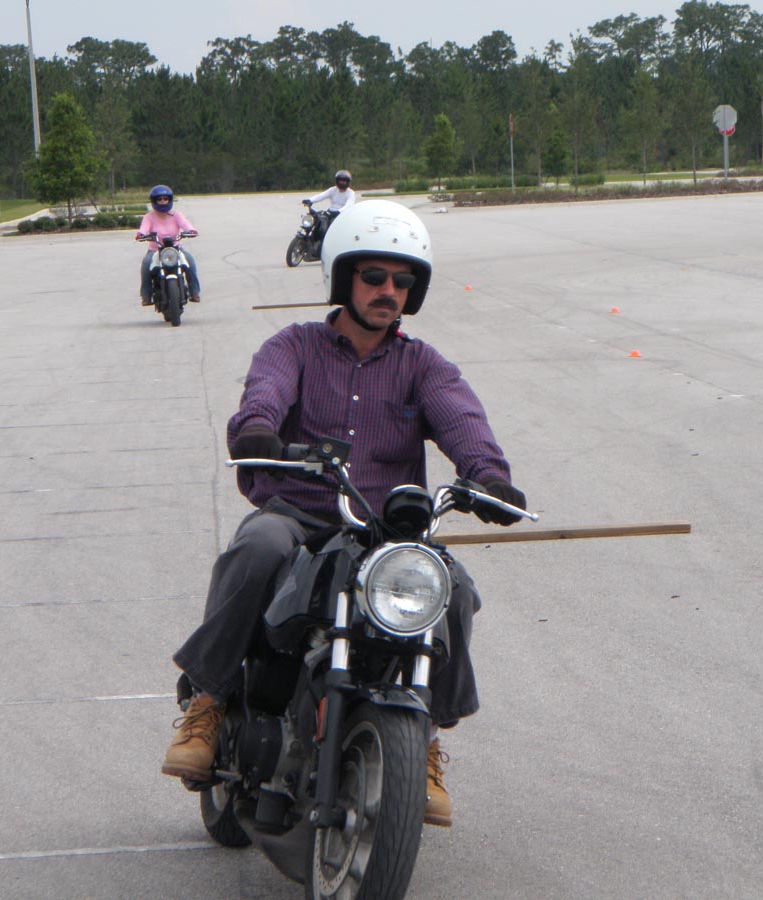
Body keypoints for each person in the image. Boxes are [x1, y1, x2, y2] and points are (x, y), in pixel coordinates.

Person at [161, 199, 526, 829]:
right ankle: (209, 702)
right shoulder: (294, 346)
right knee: (257, 549)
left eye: (403, 282)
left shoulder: (423, 364)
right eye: (374, 277)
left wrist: (490, 477)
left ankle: (423, 739)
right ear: (343, 277)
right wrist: (258, 429)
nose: (389, 292)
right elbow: (265, 393)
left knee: (453, 589)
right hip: (300, 515)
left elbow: (463, 419)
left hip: (386, 531)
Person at [136, 185, 200, 305]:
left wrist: (191, 230)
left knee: (190, 262)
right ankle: (146, 296)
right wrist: (141, 234)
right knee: (146, 264)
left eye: (165, 199)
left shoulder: (176, 215)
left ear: (169, 200)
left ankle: (194, 292)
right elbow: (144, 228)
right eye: (159, 199)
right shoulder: (149, 217)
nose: (162, 201)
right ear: (154, 201)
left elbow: (185, 224)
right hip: (155, 250)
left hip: (176, 249)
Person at [302, 169, 357, 240]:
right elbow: (321, 196)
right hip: (330, 212)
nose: (342, 182)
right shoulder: (333, 190)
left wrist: (339, 211)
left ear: (348, 182)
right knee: (317, 219)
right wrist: (310, 200)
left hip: (342, 215)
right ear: (337, 181)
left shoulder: (351, 193)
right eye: (340, 180)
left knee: (331, 228)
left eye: (344, 180)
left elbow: (349, 205)